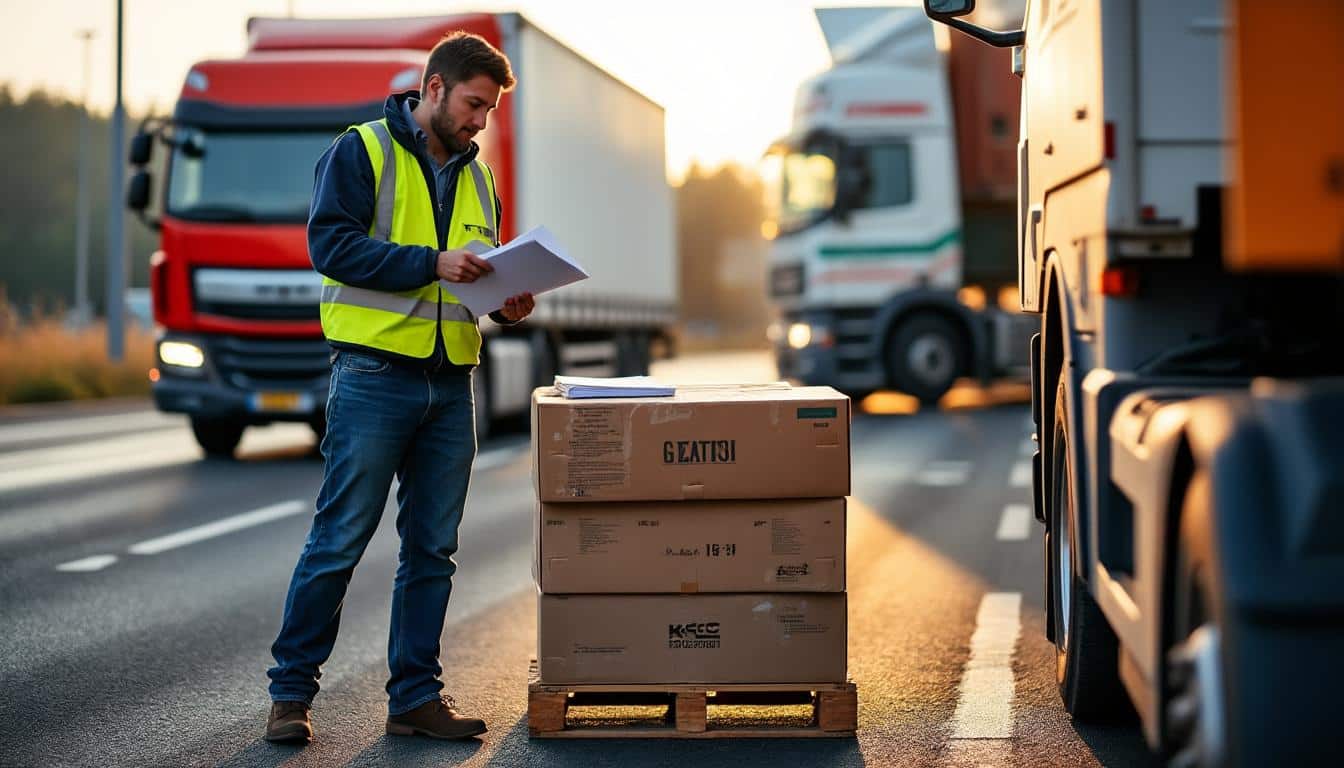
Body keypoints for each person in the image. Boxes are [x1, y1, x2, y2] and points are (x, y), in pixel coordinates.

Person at [264, 31, 532, 744]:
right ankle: (290, 696)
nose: (480, 120)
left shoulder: (480, 178)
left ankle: (415, 699)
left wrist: (507, 301)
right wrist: (431, 262)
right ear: (434, 87)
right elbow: (331, 247)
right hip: (373, 376)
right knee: (339, 540)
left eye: (490, 110)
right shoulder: (362, 150)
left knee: (433, 551)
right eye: (473, 104)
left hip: (452, 383)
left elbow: (475, 277)